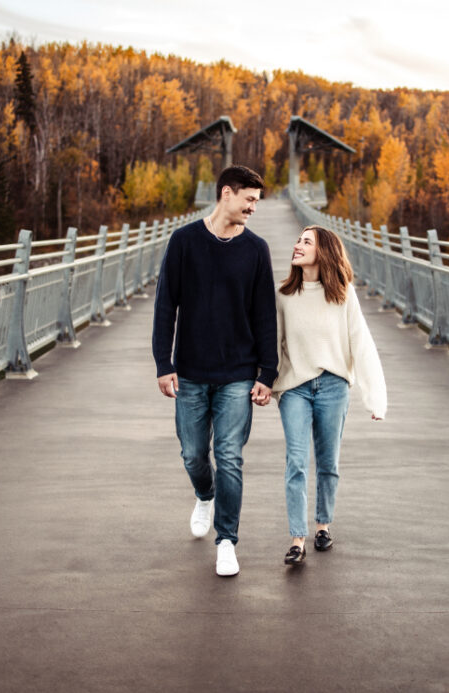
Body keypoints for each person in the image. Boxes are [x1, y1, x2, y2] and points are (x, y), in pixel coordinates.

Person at [152, 165, 277, 577]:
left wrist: (267, 372)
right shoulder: (184, 241)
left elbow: (264, 315)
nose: (254, 207)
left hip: (238, 374)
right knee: (192, 454)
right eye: (250, 199)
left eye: (257, 202)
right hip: (189, 371)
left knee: (229, 456)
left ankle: (227, 540)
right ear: (227, 193)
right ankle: (204, 495)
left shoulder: (256, 249)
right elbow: (165, 305)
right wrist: (163, 363)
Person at [272, 225, 387, 566]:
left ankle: (322, 525)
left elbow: (361, 344)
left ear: (323, 252)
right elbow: (273, 344)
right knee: (296, 462)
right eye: (297, 240)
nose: (297, 246)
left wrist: (375, 397)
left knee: (328, 462)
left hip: (334, 386)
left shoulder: (343, 294)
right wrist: (263, 382)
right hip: (294, 387)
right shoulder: (282, 294)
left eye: (306, 242)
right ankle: (297, 538)